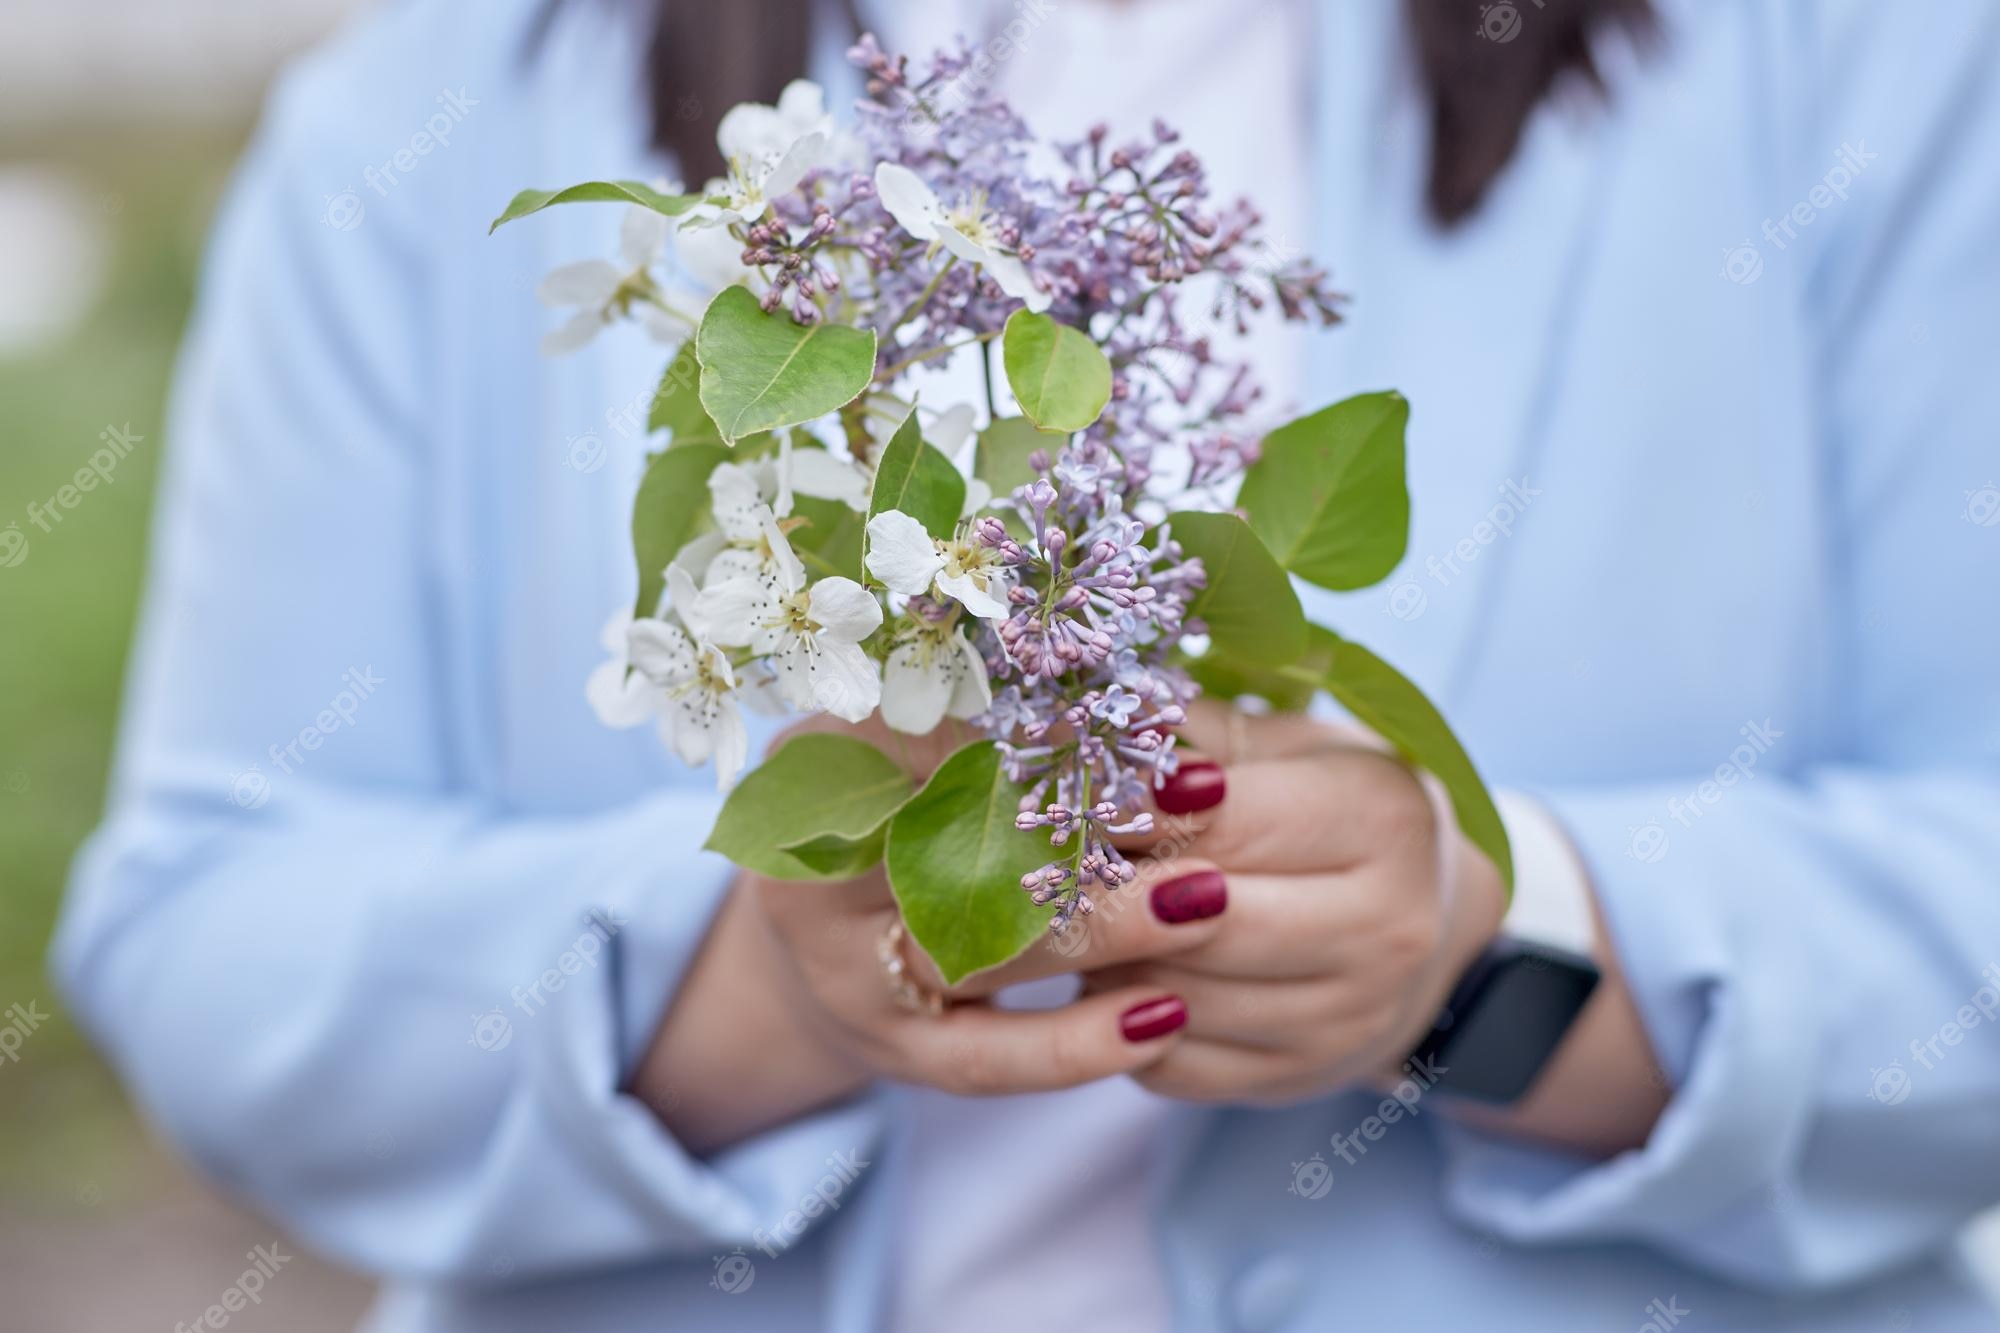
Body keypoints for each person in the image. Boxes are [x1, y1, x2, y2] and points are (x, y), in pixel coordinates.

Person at [54, 0, 2000, 1329]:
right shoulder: (436, 108)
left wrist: (1489, 951)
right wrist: (752, 984)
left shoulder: (1857, 75)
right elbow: (210, 937)